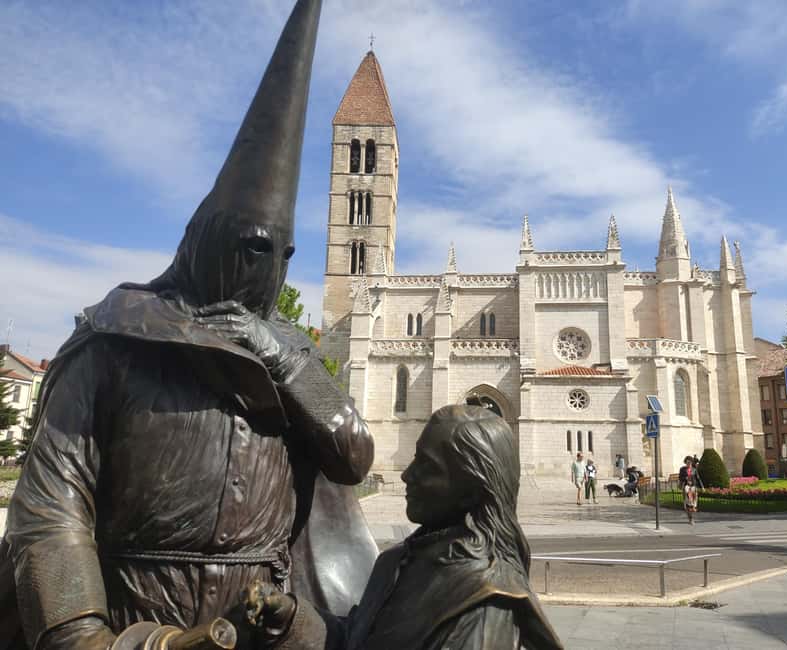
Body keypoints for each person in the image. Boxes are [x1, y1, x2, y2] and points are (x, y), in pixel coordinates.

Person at [2, 3, 379, 649]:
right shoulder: (117, 337)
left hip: (263, 616)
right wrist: (78, 632)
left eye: (286, 253)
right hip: (135, 610)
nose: (272, 266)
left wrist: (283, 359)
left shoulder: (290, 348)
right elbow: (51, 508)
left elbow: (353, 458)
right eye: (256, 245)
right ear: (207, 241)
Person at [242, 405, 564, 649]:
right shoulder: (403, 560)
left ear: (471, 489)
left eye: (428, 467)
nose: (408, 475)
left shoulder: (482, 600)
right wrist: (291, 618)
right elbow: (358, 638)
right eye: (415, 459)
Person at [678, 456, 701, 524]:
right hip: (686, 487)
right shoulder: (682, 469)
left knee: (694, 501)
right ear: (685, 462)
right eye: (687, 462)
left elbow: (698, 478)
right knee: (688, 503)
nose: (688, 464)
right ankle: (690, 519)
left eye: (690, 462)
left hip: (693, 487)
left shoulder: (694, 469)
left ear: (691, 462)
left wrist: (701, 487)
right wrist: (685, 478)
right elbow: (680, 478)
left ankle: (693, 507)